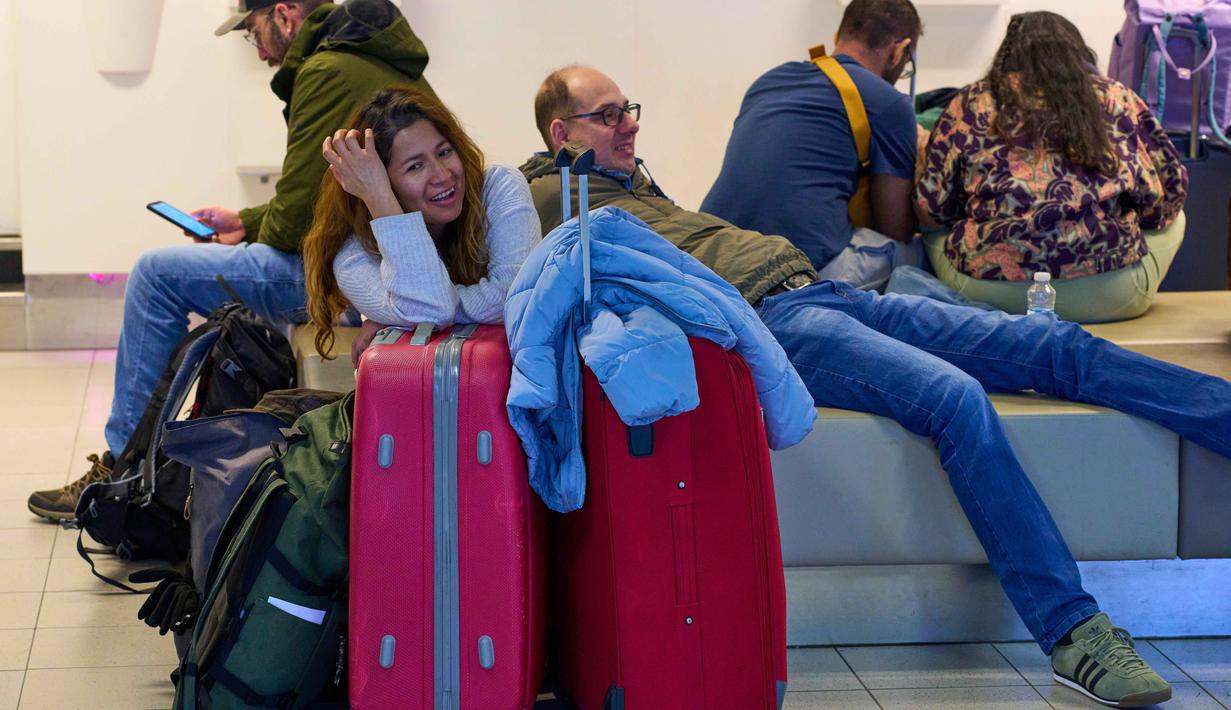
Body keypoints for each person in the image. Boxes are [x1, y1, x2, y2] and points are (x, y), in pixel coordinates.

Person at [522, 64, 1231, 708]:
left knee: (1052, 343)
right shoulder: (551, 194)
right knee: (954, 397)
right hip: (776, 324)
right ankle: (1074, 631)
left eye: (629, 107)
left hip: (818, 293)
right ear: (561, 134)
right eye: (608, 114)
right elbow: (492, 254)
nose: (630, 123)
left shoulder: (626, 185)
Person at [26, 0, 432, 522]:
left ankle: (121, 474)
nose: (259, 49)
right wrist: (244, 221)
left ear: (284, 15)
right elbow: (318, 197)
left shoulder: (325, 71)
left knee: (156, 274)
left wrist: (260, 224)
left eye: (254, 31)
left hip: (352, 274)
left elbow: (292, 224)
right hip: (387, 260)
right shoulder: (370, 58)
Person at [910, 11, 1187, 323]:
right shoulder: (1115, 98)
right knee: (1177, 220)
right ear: (1079, 53)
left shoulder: (972, 101)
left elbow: (932, 206)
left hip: (989, 293)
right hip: (1111, 296)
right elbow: (1170, 192)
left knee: (933, 231)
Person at [700, 0, 925, 291]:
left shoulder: (769, 80)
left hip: (713, 256)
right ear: (899, 51)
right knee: (919, 253)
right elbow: (894, 228)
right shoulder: (890, 103)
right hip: (795, 273)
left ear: (837, 38)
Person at [302, 86, 540, 354]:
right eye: (415, 166)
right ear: (380, 180)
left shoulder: (499, 186)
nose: (442, 175)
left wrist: (397, 317)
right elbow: (432, 308)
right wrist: (381, 198)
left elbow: (516, 295)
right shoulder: (354, 254)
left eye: (444, 152)